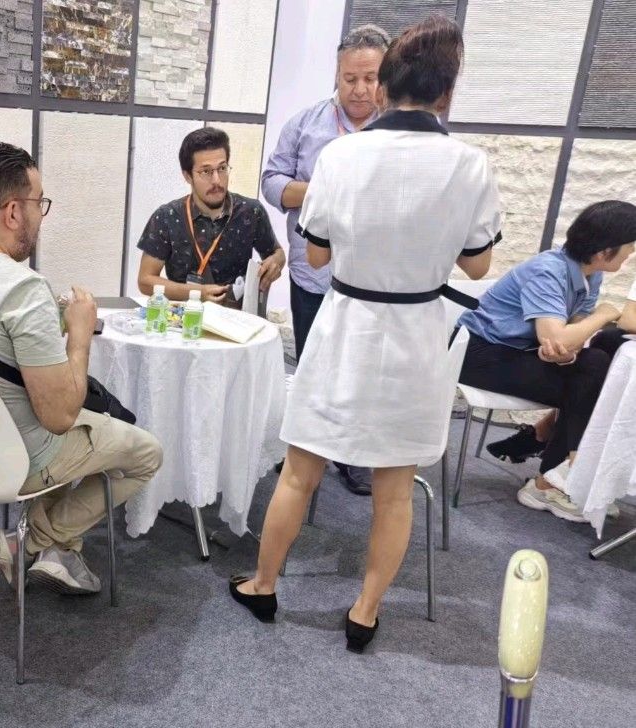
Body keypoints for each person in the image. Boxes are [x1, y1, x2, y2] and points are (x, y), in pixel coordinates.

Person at [230, 17, 500, 653]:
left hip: (346, 325)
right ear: (447, 93)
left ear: (383, 88)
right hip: (417, 335)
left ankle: (264, 585)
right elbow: (478, 264)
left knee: (300, 473)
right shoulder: (471, 165)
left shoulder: (340, 156)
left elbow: (318, 256)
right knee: (394, 492)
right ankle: (365, 612)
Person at [0, 142, 163, 595]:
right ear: (13, 212)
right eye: (40, 202)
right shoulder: (22, 287)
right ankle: (35, 542)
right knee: (146, 454)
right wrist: (80, 333)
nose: (42, 214)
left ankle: (58, 550)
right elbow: (59, 416)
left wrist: (45, 322)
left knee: (75, 426)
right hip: (16, 458)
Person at [260, 23, 391, 496]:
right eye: (349, 78)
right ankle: (304, 452)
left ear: (385, 77)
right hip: (312, 272)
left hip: (374, 281)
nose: (359, 89)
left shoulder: (398, 133)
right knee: (313, 365)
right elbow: (272, 181)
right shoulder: (306, 124)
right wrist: (321, 190)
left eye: (370, 78)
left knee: (361, 370)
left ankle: (351, 454)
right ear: (336, 74)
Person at [457, 201, 636, 522]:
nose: (632, 252)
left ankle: (553, 468)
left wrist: (567, 352)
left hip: (519, 350)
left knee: (598, 358)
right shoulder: (548, 270)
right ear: (604, 251)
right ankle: (558, 475)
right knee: (591, 378)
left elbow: (569, 338)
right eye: (629, 246)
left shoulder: (590, 273)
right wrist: (604, 314)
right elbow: (561, 335)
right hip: (479, 354)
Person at [136, 127, 285, 307]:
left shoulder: (251, 211)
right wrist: (196, 294)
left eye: (222, 168)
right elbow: (145, 280)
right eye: (206, 172)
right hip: (185, 315)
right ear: (187, 176)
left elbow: (277, 253)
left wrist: (275, 262)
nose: (216, 180)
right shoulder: (167, 217)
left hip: (236, 316)